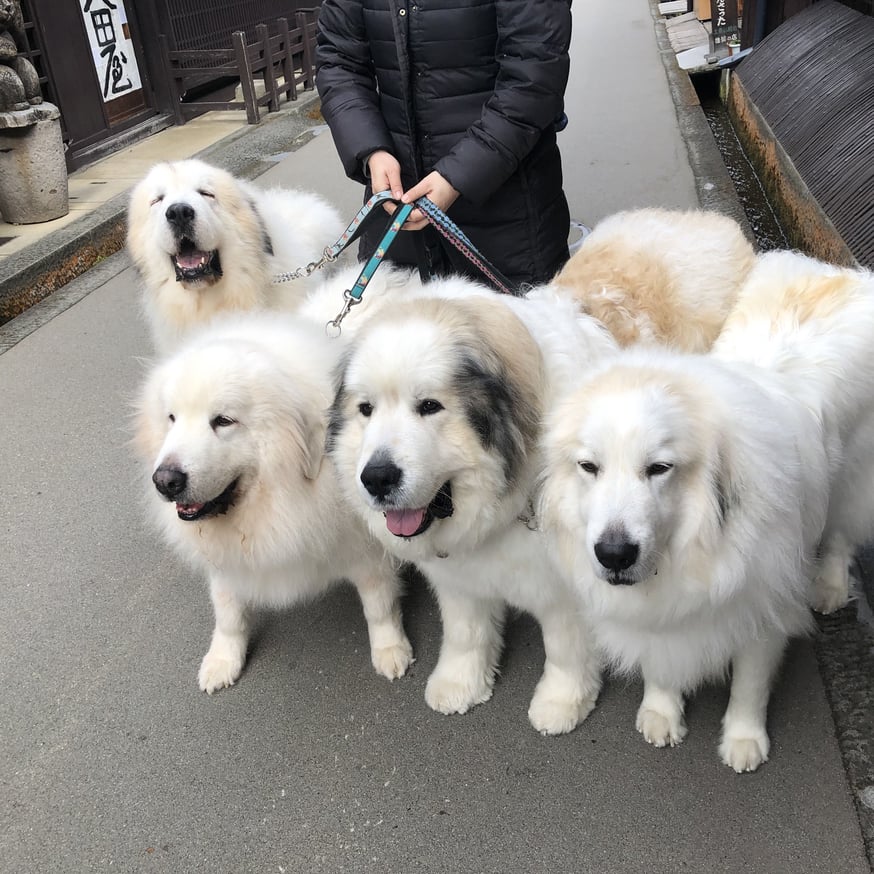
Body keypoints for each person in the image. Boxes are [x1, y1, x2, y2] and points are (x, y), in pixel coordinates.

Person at [315, 0, 573, 288]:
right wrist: (372, 150)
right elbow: (338, 63)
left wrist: (457, 176)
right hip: (398, 211)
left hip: (509, 220)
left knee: (513, 330)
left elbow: (535, 78)